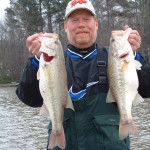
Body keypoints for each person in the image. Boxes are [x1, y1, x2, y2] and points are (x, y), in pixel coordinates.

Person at [16, 0, 150, 150]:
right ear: (66, 26)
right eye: (74, 20)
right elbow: (28, 98)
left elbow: (147, 89)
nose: (81, 24)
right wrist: (36, 61)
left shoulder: (113, 57)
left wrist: (134, 56)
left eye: (87, 19)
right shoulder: (52, 61)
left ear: (96, 24)